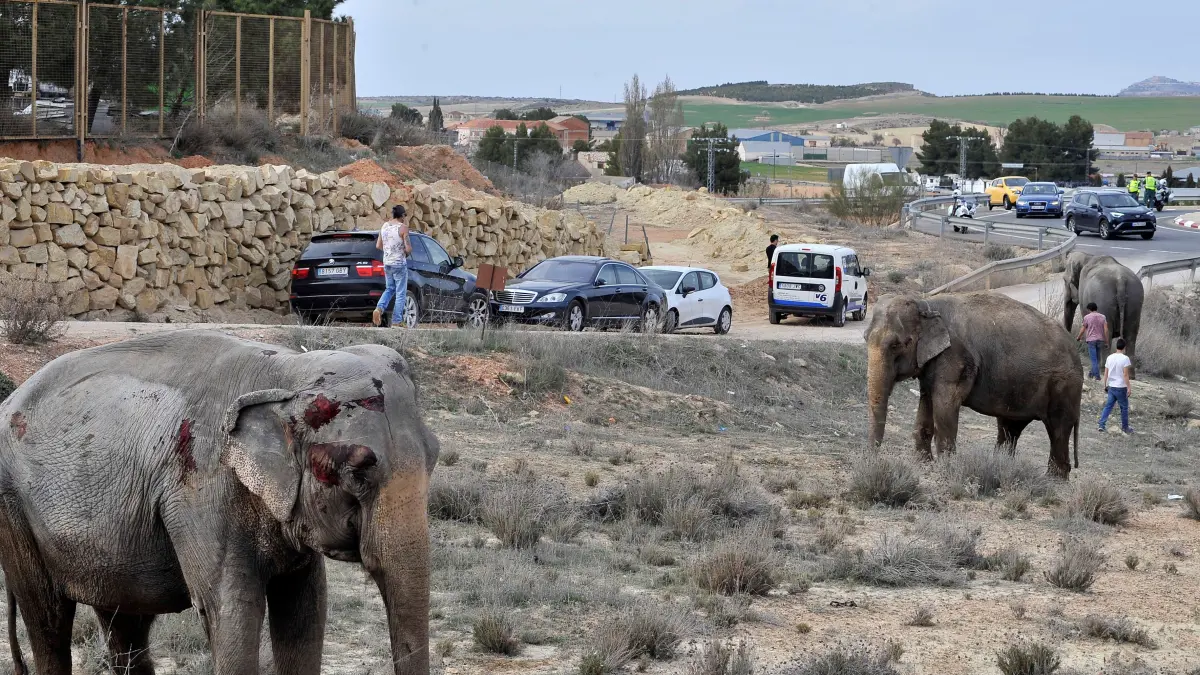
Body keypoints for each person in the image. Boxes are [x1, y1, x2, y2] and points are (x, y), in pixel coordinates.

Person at [372, 205, 413, 328]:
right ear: (402, 215)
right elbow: (408, 248)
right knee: (401, 293)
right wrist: (404, 252)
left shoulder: (384, 226)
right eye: (405, 215)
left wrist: (389, 250)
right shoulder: (403, 228)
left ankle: (379, 309)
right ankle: (397, 321)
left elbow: (378, 245)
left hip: (387, 263)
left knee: (389, 288)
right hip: (399, 263)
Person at [1098, 337, 1134, 434]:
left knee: (1108, 406)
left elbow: (1106, 373)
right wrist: (1129, 387)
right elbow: (1125, 375)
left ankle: (1101, 425)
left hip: (1111, 386)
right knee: (1124, 408)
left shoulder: (1109, 357)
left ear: (1116, 346)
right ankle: (1125, 427)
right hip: (1121, 387)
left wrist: (1105, 385)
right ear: (1124, 347)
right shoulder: (1125, 359)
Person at [1075, 302, 1109, 380]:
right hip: (1100, 340)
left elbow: (1083, 329)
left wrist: (1078, 337)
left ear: (1089, 309)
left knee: (1094, 360)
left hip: (1091, 340)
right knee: (1098, 359)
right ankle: (1091, 374)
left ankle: (1097, 377)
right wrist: (1107, 341)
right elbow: (1106, 330)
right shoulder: (1103, 317)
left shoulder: (1087, 317)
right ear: (1096, 308)